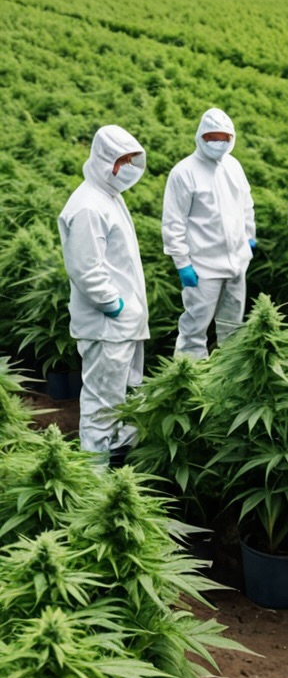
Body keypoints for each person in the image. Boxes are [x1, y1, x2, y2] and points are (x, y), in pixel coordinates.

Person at [58, 125, 149, 464]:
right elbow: (85, 267)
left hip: (123, 325)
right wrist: (114, 305)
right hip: (107, 324)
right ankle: (94, 477)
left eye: (131, 160)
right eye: (122, 160)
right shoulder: (88, 206)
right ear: (103, 160)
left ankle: (119, 457)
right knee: (101, 403)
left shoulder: (108, 197)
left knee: (122, 394)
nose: (128, 167)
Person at [162, 108, 256, 359]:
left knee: (232, 326)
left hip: (237, 263)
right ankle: (188, 379)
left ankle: (228, 374)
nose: (218, 143)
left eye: (224, 137)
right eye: (212, 137)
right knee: (194, 329)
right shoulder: (184, 172)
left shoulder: (233, 166)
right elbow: (174, 222)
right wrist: (182, 263)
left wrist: (249, 236)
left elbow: (246, 203)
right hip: (203, 268)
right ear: (200, 137)